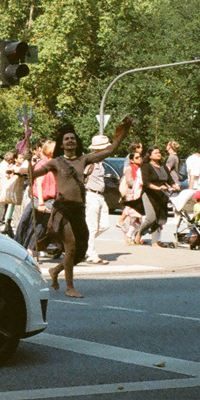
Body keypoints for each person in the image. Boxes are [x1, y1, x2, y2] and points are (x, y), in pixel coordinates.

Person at [30, 118, 132, 297]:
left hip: (79, 210)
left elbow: (108, 151)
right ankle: (70, 287)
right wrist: (25, 169)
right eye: (67, 139)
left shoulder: (84, 159)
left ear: (77, 143)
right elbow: (35, 174)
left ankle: (55, 271)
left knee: (81, 252)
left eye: (73, 139)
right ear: (62, 144)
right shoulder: (56, 162)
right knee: (70, 246)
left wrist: (121, 137)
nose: (70, 141)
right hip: (63, 210)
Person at [82, 135, 111, 264]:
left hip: (100, 195)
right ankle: (91, 254)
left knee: (105, 225)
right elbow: (81, 178)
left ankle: (83, 242)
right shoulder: (90, 162)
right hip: (91, 195)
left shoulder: (100, 162)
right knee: (92, 226)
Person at [140, 146, 176, 247]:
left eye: (159, 152)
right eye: (156, 153)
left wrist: (175, 185)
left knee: (158, 219)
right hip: (149, 194)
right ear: (150, 156)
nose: (158, 154)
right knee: (151, 217)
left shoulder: (163, 166)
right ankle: (139, 233)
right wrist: (158, 188)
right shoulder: (146, 166)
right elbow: (146, 182)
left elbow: (169, 180)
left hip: (162, 195)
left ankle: (154, 242)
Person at [119, 149, 144, 244]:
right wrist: (139, 184)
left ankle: (134, 236)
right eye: (136, 158)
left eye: (140, 157)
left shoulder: (141, 168)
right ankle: (129, 236)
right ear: (132, 160)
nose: (139, 159)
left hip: (139, 194)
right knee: (135, 216)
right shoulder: (130, 168)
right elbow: (129, 182)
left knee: (137, 217)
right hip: (132, 194)